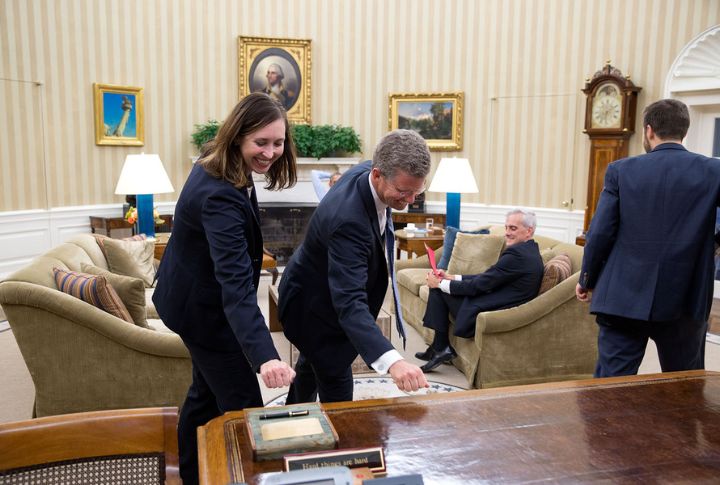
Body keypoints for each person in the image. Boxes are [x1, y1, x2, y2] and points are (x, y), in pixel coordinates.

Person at [152, 93, 297, 485]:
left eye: (278, 142)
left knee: (203, 397)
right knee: (245, 410)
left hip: (188, 296)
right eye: (260, 142)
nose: (270, 153)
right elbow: (235, 289)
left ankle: (186, 473)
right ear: (238, 137)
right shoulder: (219, 196)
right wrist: (266, 357)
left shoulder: (216, 158)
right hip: (204, 314)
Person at [279, 129, 431, 403]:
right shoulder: (349, 222)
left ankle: (292, 416)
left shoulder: (369, 171)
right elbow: (350, 302)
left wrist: (401, 191)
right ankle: (334, 432)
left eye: (416, 192)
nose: (410, 201)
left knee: (310, 365)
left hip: (317, 287)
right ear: (377, 175)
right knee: (336, 384)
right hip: (312, 307)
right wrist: (394, 362)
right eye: (403, 191)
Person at [576, 98, 720, 378]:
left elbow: (600, 232)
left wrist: (587, 278)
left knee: (612, 387)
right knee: (682, 386)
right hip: (686, 296)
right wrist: (712, 245)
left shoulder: (620, 170)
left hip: (622, 296)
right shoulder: (714, 171)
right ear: (684, 132)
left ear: (649, 130)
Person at [418, 209, 544, 371]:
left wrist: (439, 284)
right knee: (441, 287)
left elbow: (477, 286)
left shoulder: (517, 255)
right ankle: (438, 346)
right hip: (496, 299)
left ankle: (441, 347)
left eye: (513, 228)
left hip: (492, 309)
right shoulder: (530, 250)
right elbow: (487, 278)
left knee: (438, 290)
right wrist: (451, 277)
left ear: (529, 231)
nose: (507, 233)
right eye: (506, 227)